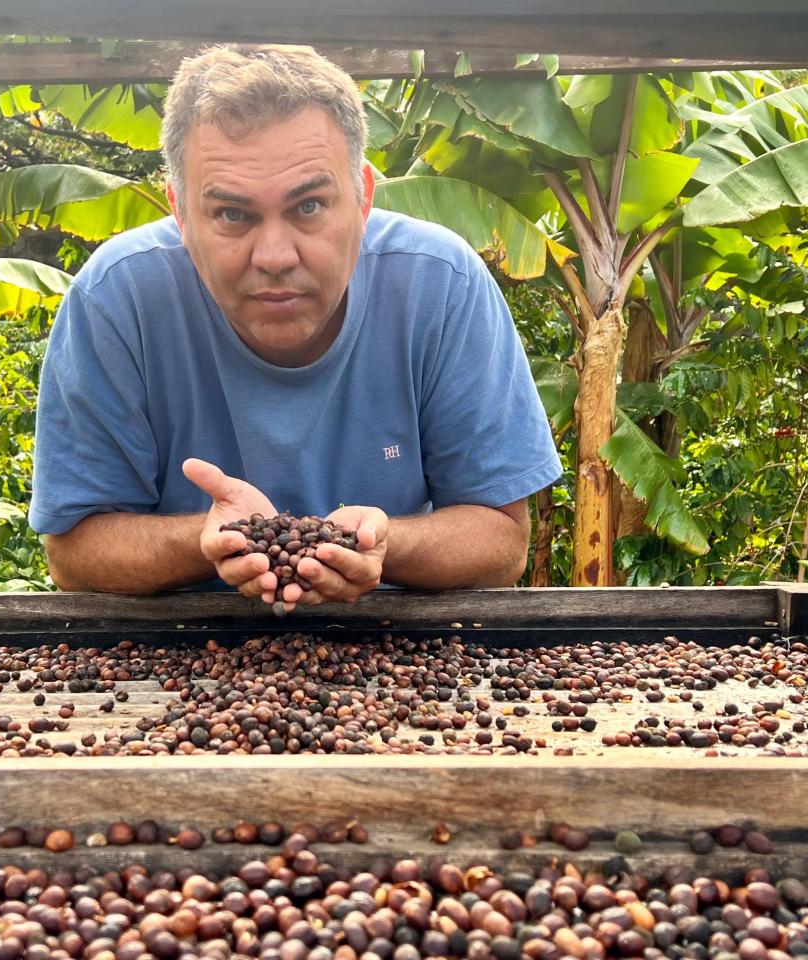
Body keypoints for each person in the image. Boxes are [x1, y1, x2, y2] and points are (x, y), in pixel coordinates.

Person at [30, 43, 560, 607]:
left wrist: (381, 544)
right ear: (181, 215)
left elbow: (504, 542)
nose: (275, 256)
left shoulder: (440, 283)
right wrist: (207, 541)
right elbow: (71, 552)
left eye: (308, 207)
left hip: (389, 646)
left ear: (362, 200)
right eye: (234, 214)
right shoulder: (118, 297)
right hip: (175, 660)